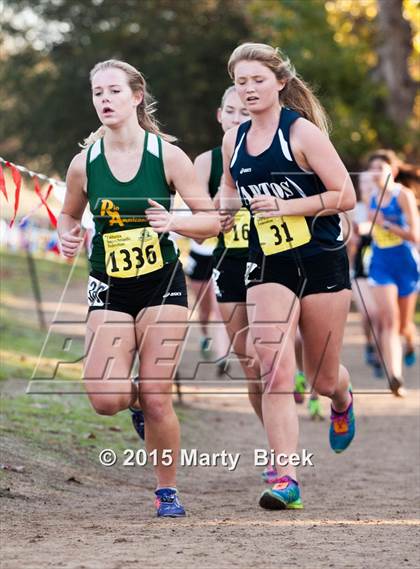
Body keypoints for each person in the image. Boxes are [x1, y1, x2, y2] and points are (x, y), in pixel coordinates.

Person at [58, 59, 219, 517]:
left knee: (157, 393)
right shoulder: (82, 164)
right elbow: (68, 216)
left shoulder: (167, 156)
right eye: (97, 93)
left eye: (113, 91)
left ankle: (166, 490)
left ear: (135, 96)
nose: (104, 100)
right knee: (105, 398)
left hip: (161, 282)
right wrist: (67, 234)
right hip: (107, 283)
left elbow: (209, 222)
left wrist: (175, 221)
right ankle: (137, 401)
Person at [221, 43, 356, 510]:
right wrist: (221, 211)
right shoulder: (234, 139)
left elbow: (346, 193)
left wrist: (288, 206)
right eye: (241, 82)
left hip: (320, 256)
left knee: (320, 378)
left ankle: (342, 398)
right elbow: (229, 189)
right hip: (268, 258)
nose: (249, 89)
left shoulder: (301, 133)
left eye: (258, 80)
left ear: (280, 83)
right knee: (274, 366)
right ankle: (285, 477)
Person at [367, 149, 419, 396]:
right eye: (372, 168)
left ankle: (410, 341)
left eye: (380, 168)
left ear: (393, 171)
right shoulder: (371, 197)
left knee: (403, 325)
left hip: (406, 263)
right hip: (381, 264)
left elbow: (414, 235)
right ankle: (395, 376)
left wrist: (385, 224)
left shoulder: (404, 196)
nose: (375, 173)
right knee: (389, 320)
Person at [350, 171, 382, 377]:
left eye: (370, 183)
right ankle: (370, 343)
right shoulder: (354, 210)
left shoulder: (384, 207)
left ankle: (380, 357)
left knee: (381, 316)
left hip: (382, 269)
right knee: (369, 314)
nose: (367, 187)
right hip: (360, 271)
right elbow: (347, 244)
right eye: (363, 183)